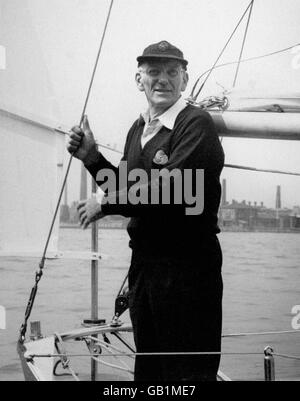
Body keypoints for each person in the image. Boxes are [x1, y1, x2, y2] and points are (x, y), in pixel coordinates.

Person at [67, 40, 224, 381]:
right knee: (150, 371)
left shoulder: (195, 124)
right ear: (139, 80)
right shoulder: (138, 129)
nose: (162, 80)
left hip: (188, 269)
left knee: (187, 375)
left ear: (184, 79)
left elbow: (173, 188)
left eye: (172, 72)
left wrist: (105, 204)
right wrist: (92, 158)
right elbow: (126, 188)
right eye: (153, 72)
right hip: (145, 268)